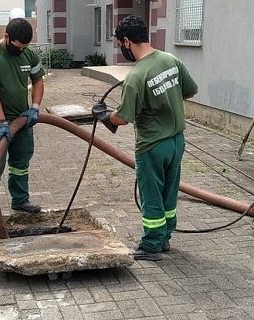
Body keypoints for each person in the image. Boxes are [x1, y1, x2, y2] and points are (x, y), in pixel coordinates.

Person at [93, 15, 198, 261]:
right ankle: (165, 239)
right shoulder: (171, 60)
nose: (121, 48)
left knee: (151, 194)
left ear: (127, 41)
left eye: (120, 43)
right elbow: (191, 91)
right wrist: (167, 99)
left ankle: (151, 245)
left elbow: (123, 118)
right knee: (169, 192)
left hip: (152, 145)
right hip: (176, 141)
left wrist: (105, 115)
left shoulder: (136, 76)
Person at [0, 18, 45, 227]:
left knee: (21, 161)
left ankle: (20, 200)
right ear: (6, 37)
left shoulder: (28, 53)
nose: (21, 51)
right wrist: (1, 122)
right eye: (18, 47)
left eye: (25, 48)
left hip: (23, 117)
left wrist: (35, 107)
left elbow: (38, 80)